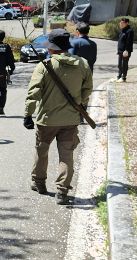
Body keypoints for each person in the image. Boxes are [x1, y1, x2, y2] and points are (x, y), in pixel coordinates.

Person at [23, 30, 93, 205]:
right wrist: (80, 103)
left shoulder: (44, 66)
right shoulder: (83, 64)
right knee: (66, 155)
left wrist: (28, 114)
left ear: (52, 48)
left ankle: (39, 183)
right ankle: (62, 192)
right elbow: (87, 90)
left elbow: (33, 93)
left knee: (42, 150)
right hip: (70, 119)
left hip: (47, 120)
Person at [116, 17, 134, 82]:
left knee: (124, 64)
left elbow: (129, 42)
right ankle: (119, 75)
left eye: (123, 23)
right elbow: (120, 41)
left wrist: (126, 50)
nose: (121, 24)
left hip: (126, 50)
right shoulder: (122, 30)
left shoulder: (129, 31)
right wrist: (118, 49)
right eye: (121, 23)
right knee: (120, 64)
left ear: (127, 23)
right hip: (120, 50)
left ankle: (124, 76)